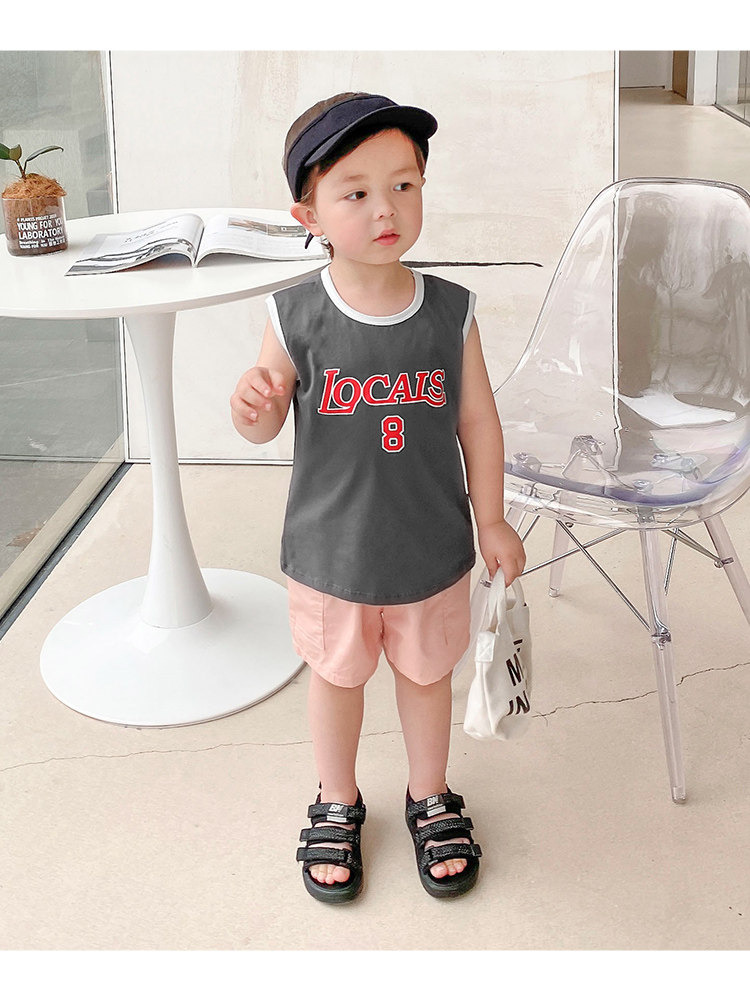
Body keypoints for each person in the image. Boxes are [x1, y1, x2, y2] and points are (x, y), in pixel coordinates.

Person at [230, 92, 525, 903]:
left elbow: (478, 420)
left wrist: (492, 517)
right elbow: (263, 422)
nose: (385, 208)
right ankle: (337, 797)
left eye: (403, 185)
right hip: (333, 552)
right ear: (310, 214)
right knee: (337, 677)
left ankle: (429, 793)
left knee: (427, 677)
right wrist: (252, 407)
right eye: (355, 192)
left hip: (429, 545)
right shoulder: (295, 314)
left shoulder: (451, 312)